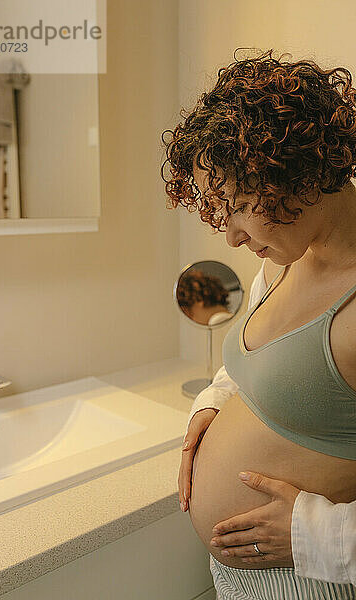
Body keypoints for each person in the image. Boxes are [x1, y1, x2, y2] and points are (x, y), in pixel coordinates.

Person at [161, 48, 356, 598]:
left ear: (297, 173)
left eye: (237, 205)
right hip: (245, 575)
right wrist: (213, 407)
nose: (231, 237)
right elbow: (260, 362)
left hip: (310, 579)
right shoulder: (283, 260)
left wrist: (316, 534)